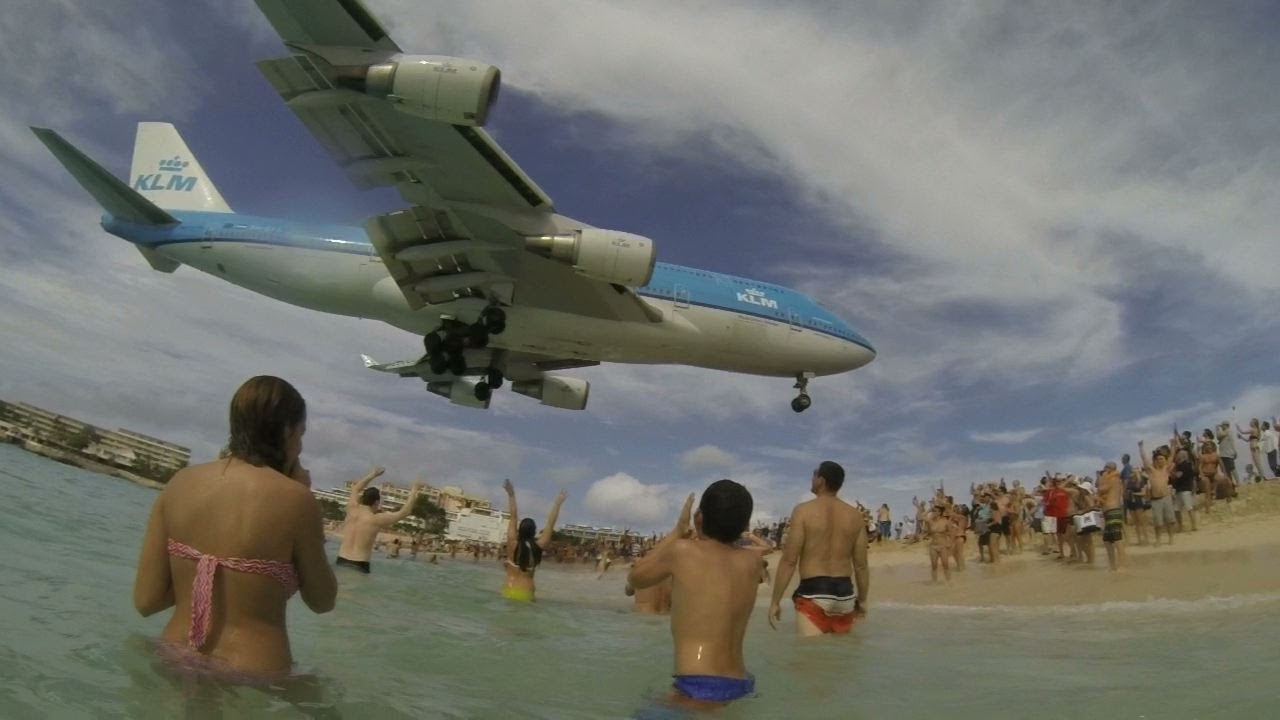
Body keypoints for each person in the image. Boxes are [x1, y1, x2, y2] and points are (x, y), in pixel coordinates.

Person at [133, 376, 336, 675]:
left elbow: (146, 601)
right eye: (300, 434)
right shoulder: (297, 500)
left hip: (174, 657)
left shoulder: (180, 483)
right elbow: (322, 600)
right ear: (286, 430)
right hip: (254, 672)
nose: (300, 447)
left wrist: (202, 569)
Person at [629, 481, 760, 708]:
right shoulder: (753, 562)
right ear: (745, 523)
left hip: (698, 684)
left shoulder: (683, 551)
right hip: (741, 682)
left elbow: (636, 577)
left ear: (699, 517)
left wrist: (677, 532)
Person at [768, 461, 869, 636]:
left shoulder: (803, 511)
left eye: (814, 475)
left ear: (821, 480)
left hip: (814, 592)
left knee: (810, 660)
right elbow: (861, 565)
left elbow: (789, 560)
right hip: (845, 594)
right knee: (840, 658)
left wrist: (775, 601)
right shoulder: (855, 516)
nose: (812, 479)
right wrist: (862, 600)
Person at [336, 468, 423, 573]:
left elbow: (356, 488)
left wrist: (373, 474)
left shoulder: (351, 509)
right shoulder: (376, 519)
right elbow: (404, 512)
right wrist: (414, 490)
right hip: (359, 563)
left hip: (341, 560)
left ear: (363, 499)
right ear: (377, 502)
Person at [501, 479, 568, 602]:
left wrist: (511, 494)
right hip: (527, 593)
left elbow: (513, 516)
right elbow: (550, 524)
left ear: (519, 530)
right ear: (534, 531)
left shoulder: (512, 543)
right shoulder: (539, 546)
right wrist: (558, 504)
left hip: (508, 591)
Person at [1139, 441, 1175, 545]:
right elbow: (1144, 460)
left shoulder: (1166, 469)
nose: (1161, 461)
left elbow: (1172, 456)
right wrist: (1141, 448)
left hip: (1166, 497)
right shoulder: (1151, 471)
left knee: (1170, 520)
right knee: (1158, 523)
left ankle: (1171, 538)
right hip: (1155, 500)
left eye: (1162, 459)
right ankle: (1158, 539)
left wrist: (1172, 446)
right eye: (1158, 459)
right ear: (1155, 460)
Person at [1098, 462, 1125, 571]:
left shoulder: (1114, 479)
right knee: (1107, 540)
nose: (1104, 470)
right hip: (1108, 511)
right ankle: (1113, 565)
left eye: (1105, 468)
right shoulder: (1112, 479)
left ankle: (1123, 566)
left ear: (1110, 469)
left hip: (1113, 510)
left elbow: (1101, 489)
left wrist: (1102, 477)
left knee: (1117, 539)